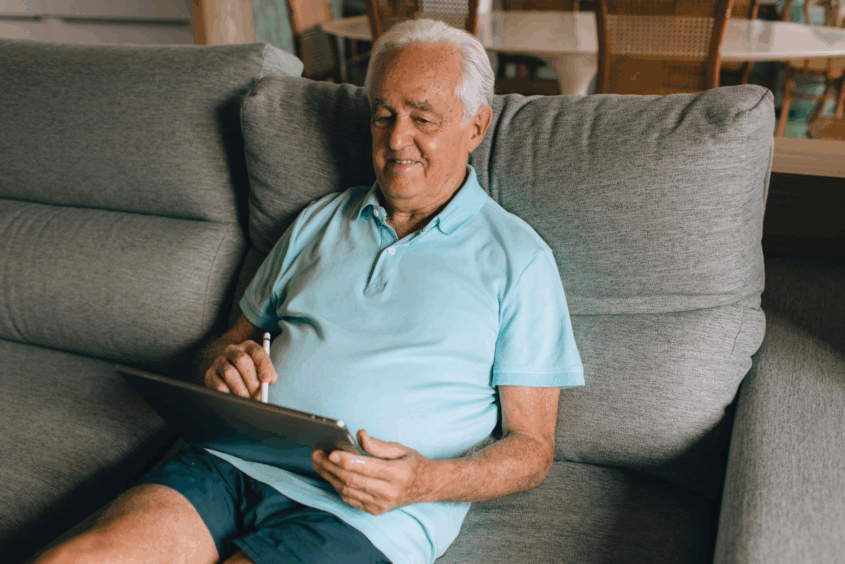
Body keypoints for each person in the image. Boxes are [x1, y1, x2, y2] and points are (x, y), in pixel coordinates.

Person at [37, 18, 583, 564]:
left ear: (477, 126)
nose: (397, 140)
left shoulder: (519, 260)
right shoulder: (319, 221)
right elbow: (229, 341)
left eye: (422, 118)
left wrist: (425, 481)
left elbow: (531, 450)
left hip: (367, 514)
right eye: (384, 116)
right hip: (232, 463)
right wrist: (224, 363)